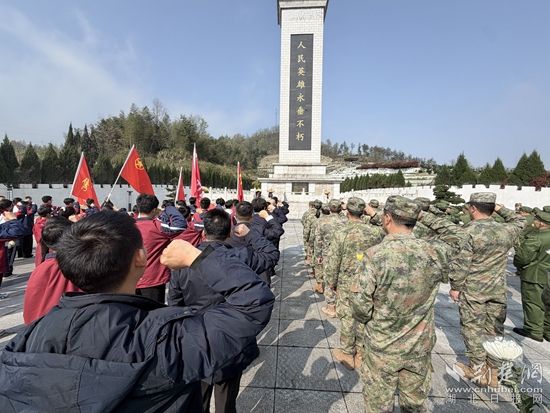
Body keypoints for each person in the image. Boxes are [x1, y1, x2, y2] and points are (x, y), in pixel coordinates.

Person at [0, 211, 274, 411]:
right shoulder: (163, 338)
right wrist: (197, 258)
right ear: (140, 258)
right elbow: (252, 303)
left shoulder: (28, 338)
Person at [351, 196, 471, 412]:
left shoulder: (374, 255)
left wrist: (371, 321)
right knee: (414, 404)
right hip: (418, 345)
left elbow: (360, 306)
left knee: (378, 405)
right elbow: (460, 236)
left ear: (387, 218)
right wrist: (421, 214)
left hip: (382, 345)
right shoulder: (434, 252)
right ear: (415, 219)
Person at [168, 208, 277, 413]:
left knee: (197, 399)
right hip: (232, 338)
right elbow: (271, 255)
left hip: (196, 338)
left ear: (203, 232)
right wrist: (249, 234)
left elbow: (174, 304)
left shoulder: (184, 262)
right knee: (226, 401)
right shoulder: (239, 256)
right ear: (229, 234)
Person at [452, 193, 525, 387]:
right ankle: (493, 372)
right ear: (492, 208)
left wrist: (455, 286)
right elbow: (520, 220)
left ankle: (478, 370)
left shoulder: (468, 231)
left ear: (473, 208)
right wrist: (500, 208)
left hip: (474, 290)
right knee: (495, 329)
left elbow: (461, 263)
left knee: (472, 329)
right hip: (497, 289)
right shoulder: (506, 229)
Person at [324, 197, 383, 370]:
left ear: (347, 211)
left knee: (348, 317)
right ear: (363, 211)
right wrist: (373, 214)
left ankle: (347, 353)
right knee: (364, 316)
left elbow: (333, 261)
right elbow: (388, 227)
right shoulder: (374, 232)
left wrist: (331, 282)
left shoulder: (341, 233)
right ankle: (361, 352)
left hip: (346, 282)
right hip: (369, 281)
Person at [23, 217, 80, 324]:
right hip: (64, 326)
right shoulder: (73, 267)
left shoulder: (40, 269)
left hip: (40, 328)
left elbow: (30, 308)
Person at [134, 194, 186, 303]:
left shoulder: (128, 225)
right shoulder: (158, 226)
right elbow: (181, 224)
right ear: (154, 210)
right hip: (153, 279)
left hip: (131, 279)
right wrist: (169, 207)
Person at [513, 206, 550, 342]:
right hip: (547, 273)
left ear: (541, 223)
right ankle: (547, 330)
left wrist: (518, 265)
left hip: (534, 274)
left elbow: (522, 257)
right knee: (548, 303)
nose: (534, 222)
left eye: (536, 220)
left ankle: (533, 330)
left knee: (533, 302)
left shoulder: (536, 237)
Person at [313, 199, 344, 316]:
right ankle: (340, 303)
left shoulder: (322, 221)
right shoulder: (346, 221)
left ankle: (331, 306)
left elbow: (318, 241)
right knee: (341, 279)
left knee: (329, 278)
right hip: (343, 254)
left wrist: (318, 256)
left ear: (330, 208)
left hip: (328, 254)